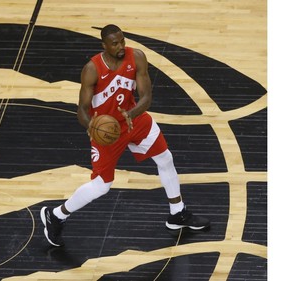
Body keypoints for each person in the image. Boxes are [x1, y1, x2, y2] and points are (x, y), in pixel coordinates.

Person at [40, 24, 210, 246]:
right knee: (102, 184)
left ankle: (177, 213)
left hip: (133, 119)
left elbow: (146, 97)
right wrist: (91, 126)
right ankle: (56, 215)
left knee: (165, 157)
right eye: (114, 43)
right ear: (104, 45)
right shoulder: (92, 69)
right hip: (106, 130)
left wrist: (132, 113)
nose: (120, 46)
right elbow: (81, 109)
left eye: (122, 41)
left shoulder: (136, 57)